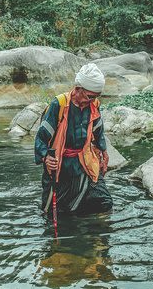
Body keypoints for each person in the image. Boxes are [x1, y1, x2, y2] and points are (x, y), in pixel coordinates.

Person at [35, 63, 113, 216]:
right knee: (52, 213)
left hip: (84, 161)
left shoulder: (93, 104)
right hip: (60, 164)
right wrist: (45, 156)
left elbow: (98, 129)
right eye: (90, 96)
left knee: (104, 203)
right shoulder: (59, 104)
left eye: (96, 97)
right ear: (78, 89)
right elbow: (41, 136)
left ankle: (95, 236)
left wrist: (103, 151)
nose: (93, 100)